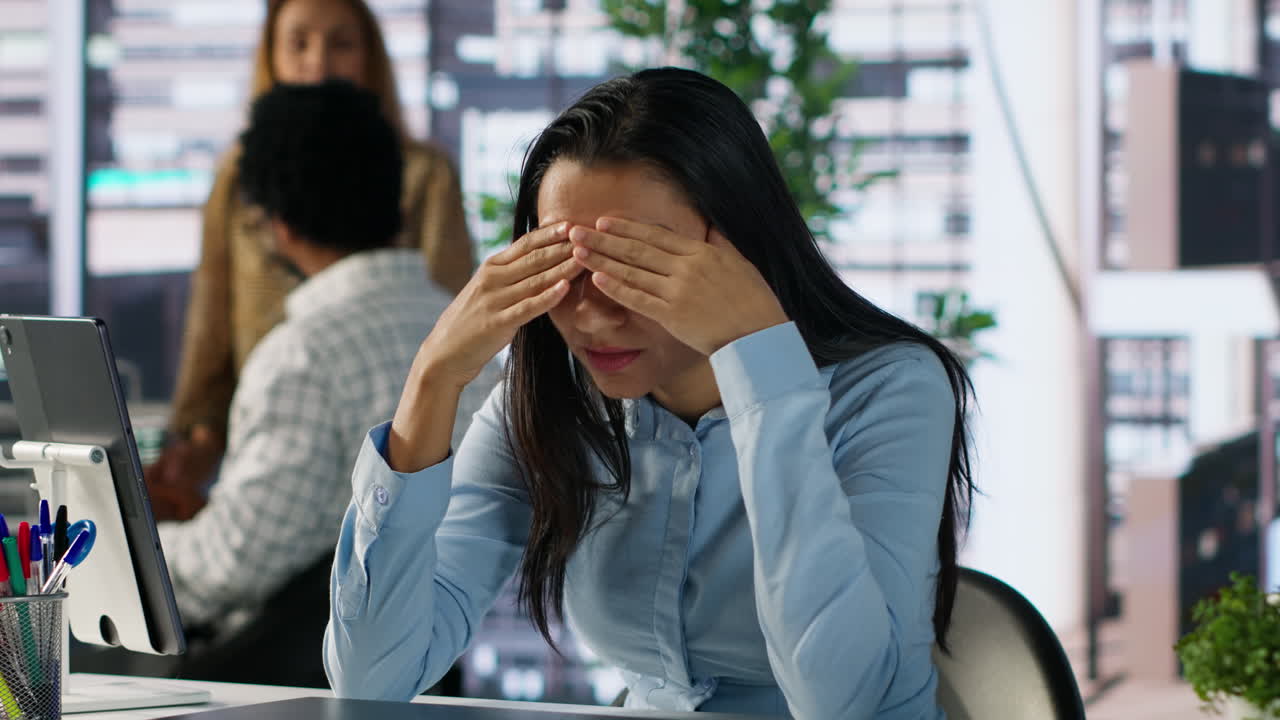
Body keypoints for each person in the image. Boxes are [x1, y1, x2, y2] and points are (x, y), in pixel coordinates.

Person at [324, 68, 976, 718]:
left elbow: (843, 703)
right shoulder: (555, 400)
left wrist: (763, 371)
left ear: (737, 252)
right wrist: (432, 380)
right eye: (567, 268)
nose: (594, 315)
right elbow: (372, 681)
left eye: (637, 267)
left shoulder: (892, 387)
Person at [132, 80, 487, 684]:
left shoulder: (300, 355)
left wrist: (140, 542)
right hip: (434, 671)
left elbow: (234, 564)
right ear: (394, 193)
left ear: (276, 224)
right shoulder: (463, 330)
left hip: (295, 682)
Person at [147, 0, 474, 521]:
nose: (318, 62)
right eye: (297, 43)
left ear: (370, 57)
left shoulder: (421, 173)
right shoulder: (239, 178)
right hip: (269, 450)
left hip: (385, 448)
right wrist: (192, 446)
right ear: (270, 57)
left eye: (341, 43)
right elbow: (210, 334)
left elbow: (451, 331)